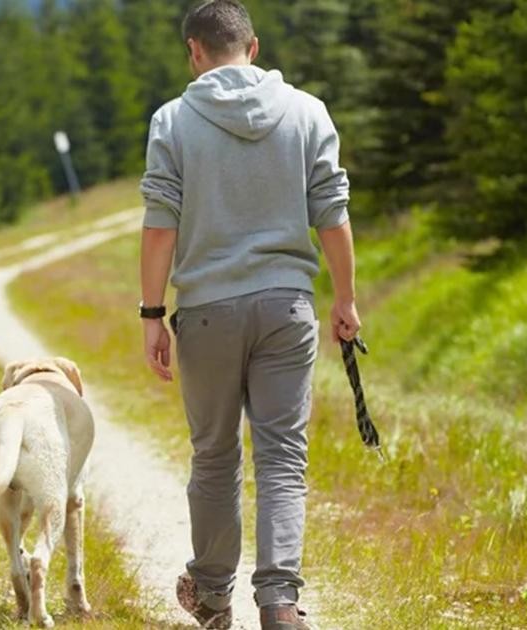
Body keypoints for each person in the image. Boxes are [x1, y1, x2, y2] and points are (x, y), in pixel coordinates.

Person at [137, 1, 360, 629]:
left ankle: (211, 595)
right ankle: (280, 602)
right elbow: (333, 215)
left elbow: (159, 228)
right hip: (288, 307)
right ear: (254, 48)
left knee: (213, 456)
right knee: (283, 455)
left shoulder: (173, 121)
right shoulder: (308, 112)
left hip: (206, 312)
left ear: (195, 52)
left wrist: (152, 314)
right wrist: (344, 299)